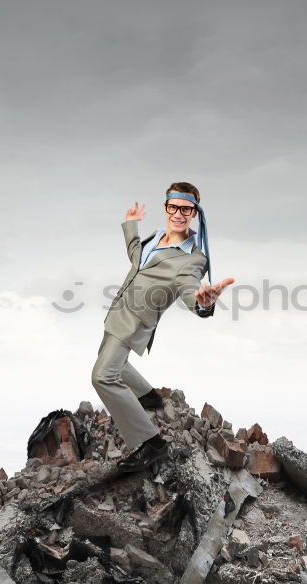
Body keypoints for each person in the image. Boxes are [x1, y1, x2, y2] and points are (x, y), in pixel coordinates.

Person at [91, 182, 234, 472]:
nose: (179, 214)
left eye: (186, 209)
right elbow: (135, 257)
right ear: (166, 207)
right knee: (109, 359)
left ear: (194, 212)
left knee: (103, 376)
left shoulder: (191, 259)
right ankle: (149, 397)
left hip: (134, 323)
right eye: (173, 207)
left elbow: (190, 289)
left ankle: (150, 444)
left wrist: (203, 303)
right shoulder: (154, 238)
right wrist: (130, 225)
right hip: (117, 313)